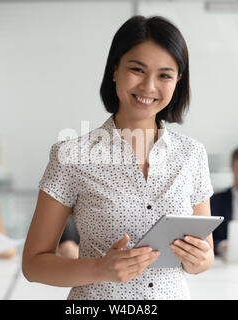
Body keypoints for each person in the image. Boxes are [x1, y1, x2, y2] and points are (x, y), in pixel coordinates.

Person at [22, 15, 215, 300]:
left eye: (164, 75)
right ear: (115, 70)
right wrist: (101, 269)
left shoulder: (192, 155)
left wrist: (200, 260)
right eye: (137, 69)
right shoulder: (71, 157)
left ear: (177, 81)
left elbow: (204, 254)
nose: (149, 87)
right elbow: (33, 265)